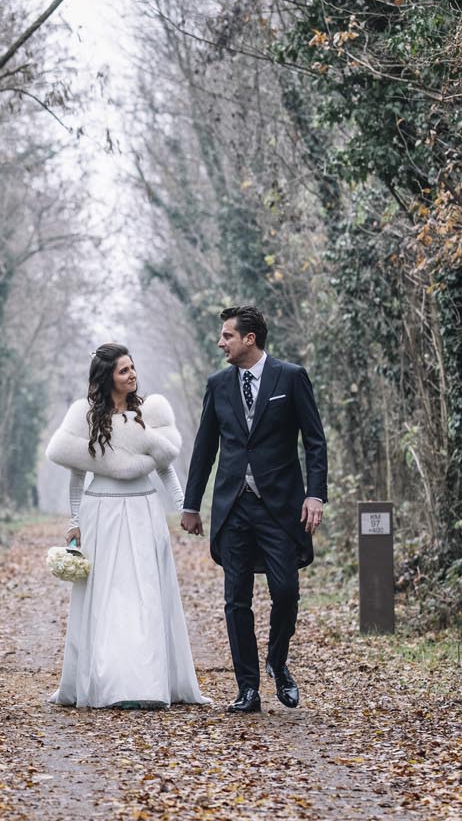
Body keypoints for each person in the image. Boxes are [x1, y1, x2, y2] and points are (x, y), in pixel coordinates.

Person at [179, 306, 328, 713]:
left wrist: (315, 494)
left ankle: (278, 663)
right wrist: (191, 504)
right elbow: (205, 448)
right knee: (235, 600)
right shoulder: (218, 384)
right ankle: (247, 688)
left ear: (250, 339)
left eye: (227, 335)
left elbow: (314, 441)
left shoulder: (291, 378)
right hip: (233, 507)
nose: (220, 342)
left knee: (286, 591)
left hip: (281, 506)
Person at [44, 344, 208, 709]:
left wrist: (185, 508)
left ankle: (148, 682)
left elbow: (166, 468)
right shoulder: (85, 417)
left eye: (133, 368)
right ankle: (110, 681)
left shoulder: (147, 415)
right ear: (107, 378)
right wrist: (75, 521)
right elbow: (77, 475)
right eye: (123, 370)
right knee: (107, 597)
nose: (132, 375)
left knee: (146, 593)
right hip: (101, 512)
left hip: (143, 510)